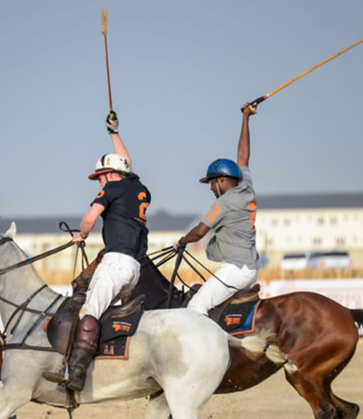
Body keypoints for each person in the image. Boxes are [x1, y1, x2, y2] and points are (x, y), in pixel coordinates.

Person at [43, 111, 151, 392]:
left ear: (110, 174)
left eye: (100, 177)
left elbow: (91, 217)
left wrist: (83, 234)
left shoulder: (112, 188)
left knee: (89, 310)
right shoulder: (137, 187)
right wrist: (113, 132)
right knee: (101, 312)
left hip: (115, 262)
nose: (99, 182)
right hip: (135, 268)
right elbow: (127, 162)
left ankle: (76, 373)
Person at [176, 102, 260, 316]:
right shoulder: (245, 186)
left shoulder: (224, 202)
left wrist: (182, 241)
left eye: (212, 183)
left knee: (196, 307)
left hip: (236, 269)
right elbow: (243, 155)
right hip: (249, 266)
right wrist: (245, 118)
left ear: (222, 180)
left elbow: (200, 231)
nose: (212, 189)